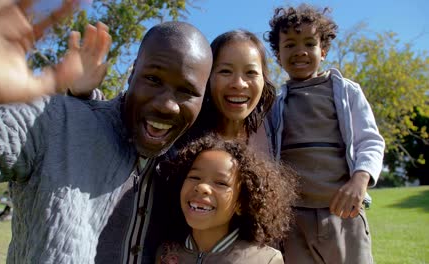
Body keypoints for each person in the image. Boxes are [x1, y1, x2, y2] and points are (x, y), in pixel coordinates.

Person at [0, 2, 213, 263]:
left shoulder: (190, 170)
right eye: (153, 79)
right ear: (132, 72)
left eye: (187, 91)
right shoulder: (57, 122)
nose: (166, 105)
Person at [265, 4, 385, 263]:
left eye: (309, 43)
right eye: (289, 45)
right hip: (292, 220)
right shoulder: (274, 104)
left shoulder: (346, 92)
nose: (300, 52)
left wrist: (360, 181)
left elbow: (370, 141)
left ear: (324, 50)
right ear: (277, 54)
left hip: (343, 213)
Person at [155, 134, 297, 264]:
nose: (202, 187)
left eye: (221, 183)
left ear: (242, 203)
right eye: (194, 177)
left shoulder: (264, 260)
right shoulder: (165, 253)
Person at [184, 30, 276, 156]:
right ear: (207, 77)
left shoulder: (276, 132)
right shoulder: (183, 137)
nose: (239, 84)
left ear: (264, 81)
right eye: (226, 71)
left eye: (250, 72)